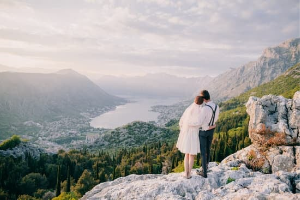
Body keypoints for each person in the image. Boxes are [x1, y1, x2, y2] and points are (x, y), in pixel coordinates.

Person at [176, 96, 216, 179]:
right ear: (202, 103)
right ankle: (189, 173)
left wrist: (184, 129)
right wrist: (211, 126)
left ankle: (185, 173)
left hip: (186, 133)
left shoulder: (188, 109)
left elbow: (181, 122)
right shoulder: (201, 111)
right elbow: (200, 123)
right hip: (194, 134)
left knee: (186, 154)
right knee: (192, 155)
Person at [196, 90, 219, 178]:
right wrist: (212, 126)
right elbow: (215, 119)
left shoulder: (205, 108)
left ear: (204, 99)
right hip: (211, 130)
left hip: (204, 131)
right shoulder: (217, 106)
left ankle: (204, 172)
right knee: (208, 149)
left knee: (203, 151)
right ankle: (206, 167)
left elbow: (201, 122)